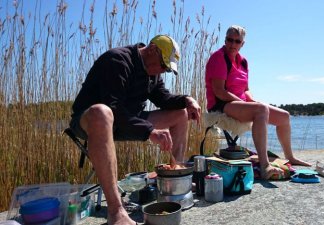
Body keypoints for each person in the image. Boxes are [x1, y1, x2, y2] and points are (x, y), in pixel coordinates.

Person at [69, 35, 201, 225]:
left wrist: (187, 100)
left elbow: (164, 99)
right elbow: (113, 107)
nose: (163, 71)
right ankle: (116, 212)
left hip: (129, 120)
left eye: (166, 68)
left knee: (180, 113)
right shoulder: (117, 60)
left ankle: (176, 181)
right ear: (152, 49)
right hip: (91, 121)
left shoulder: (152, 72)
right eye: (163, 65)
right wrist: (150, 131)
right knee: (102, 112)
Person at [205, 25, 311, 180]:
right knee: (261, 110)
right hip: (221, 104)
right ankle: (264, 164)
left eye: (237, 41)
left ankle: (291, 157)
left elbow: (246, 89)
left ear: (242, 43)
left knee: (284, 116)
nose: (233, 44)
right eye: (229, 40)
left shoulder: (243, 62)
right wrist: (244, 102)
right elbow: (219, 91)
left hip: (238, 102)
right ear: (225, 39)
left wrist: (252, 101)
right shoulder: (218, 57)